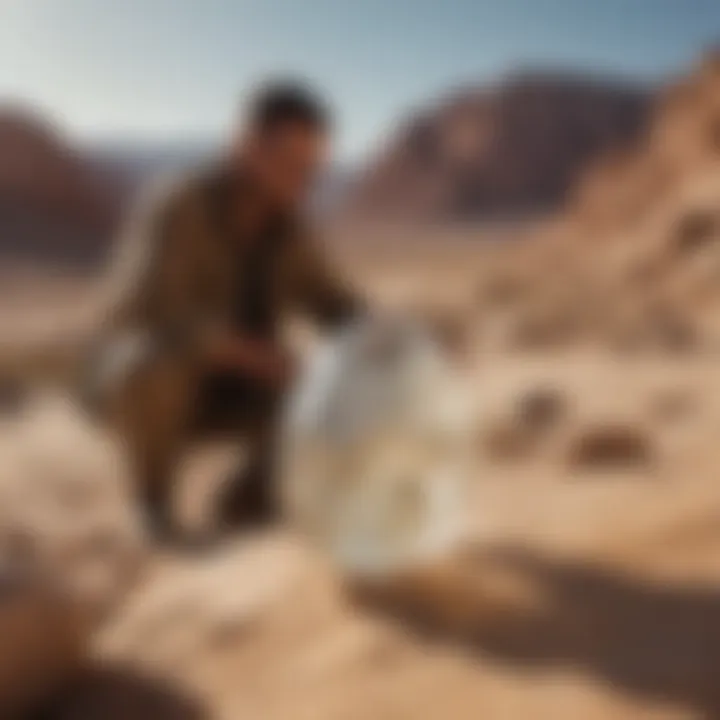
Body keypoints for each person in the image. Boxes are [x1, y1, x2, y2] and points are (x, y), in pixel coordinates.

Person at [88, 81, 362, 540]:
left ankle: (249, 501)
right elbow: (147, 314)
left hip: (236, 390)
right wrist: (253, 355)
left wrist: (391, 344)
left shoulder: (287, 227)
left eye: (311, 170)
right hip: (148, 393)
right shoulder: (180, 205)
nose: (303, 181)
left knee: (332, 392)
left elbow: (332, 302)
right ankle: (152, 503)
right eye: (290, 163)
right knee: (148, 361)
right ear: (247, 146)